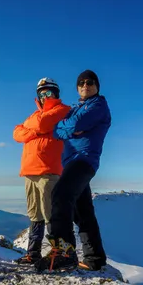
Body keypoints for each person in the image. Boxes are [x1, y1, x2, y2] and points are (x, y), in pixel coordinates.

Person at [35, 70, 111, 273]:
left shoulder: (98, 105)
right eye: (82, 83)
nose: (86, 85)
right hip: (72, 161)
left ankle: (64, 253)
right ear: (77, 87)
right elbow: (57, 130)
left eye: (90, 82)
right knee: (82, 212)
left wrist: (67, 127)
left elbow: (73, 125)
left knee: (60, 195)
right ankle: (95, 259)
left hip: (84, 159)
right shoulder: (77, 107)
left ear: (96, 86)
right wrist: (67, 127)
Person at [13, 78, 70, 264]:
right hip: (30, 170)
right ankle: (33, 252)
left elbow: (41, 125)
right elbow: (16, 133)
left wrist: (31, 130)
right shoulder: (35, 115)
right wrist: (34, 131)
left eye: (49, 92)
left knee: (50, 213)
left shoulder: (63, 110)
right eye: (42, 93)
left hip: (49, 170)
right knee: (34, 213)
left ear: (56, 94)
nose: (45, 96)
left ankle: (59, 252)